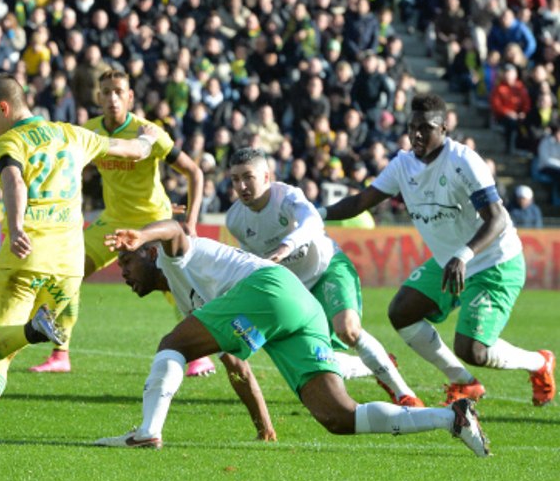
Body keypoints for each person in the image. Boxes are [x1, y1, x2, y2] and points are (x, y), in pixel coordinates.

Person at [93, 220, 490, 457]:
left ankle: (146, 433)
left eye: (127, 260)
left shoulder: (171, 257)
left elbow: (175, 229)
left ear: (147, 254)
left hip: (269, 288)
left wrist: (140, 233)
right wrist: (262, 422)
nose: (123, 272)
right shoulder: (189, 301)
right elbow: (236, 364)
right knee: (339, 417)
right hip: (299, 305)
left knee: (172, 346)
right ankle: (450, 417)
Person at [0, 73, 159, 455]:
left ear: (4, 108)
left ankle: (33, 331)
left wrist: (15, 225)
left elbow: (14, 181)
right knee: (4, 350)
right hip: (69, 268)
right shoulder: (72, 134)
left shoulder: (8, 142)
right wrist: (148, 138)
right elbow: (132, 150)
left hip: (26, 258)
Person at [322, 93, 554, 407]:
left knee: (472, 349)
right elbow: (360, 202)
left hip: (494, 262)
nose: (416, 134)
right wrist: (317, 213)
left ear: (443, 128)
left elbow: (497, 218)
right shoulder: (403, 164)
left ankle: (539, 363)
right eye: (412, 127)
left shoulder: (463, 161)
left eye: (426, 128)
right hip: (452, 260)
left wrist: (463, 255)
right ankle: (463, 382)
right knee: (402, 312)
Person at [28, 70, 214, 377]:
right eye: (106, 92)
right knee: (69, 272)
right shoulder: (90, 131)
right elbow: (60, 162)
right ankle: (60, 353)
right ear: (98, 97)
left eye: (119, 92)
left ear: (130, 97)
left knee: (176, 285)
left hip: (153, 221)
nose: (113, 98)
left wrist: (190, 223)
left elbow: (194, 172)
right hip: (112, 221)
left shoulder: (150, 133)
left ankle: (202, 354)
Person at [226, 148, 422, 406]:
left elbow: (313, 222)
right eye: (235, 179)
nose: (241, 186)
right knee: (318, 358)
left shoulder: (287, 196)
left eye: (247, 177)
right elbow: (251, 263)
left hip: (327, 267)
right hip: (295, 290)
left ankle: (405, 396)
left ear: (266, 176)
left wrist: (287, 245)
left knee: (348, 330)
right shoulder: (235, 219)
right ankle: (378, 364)